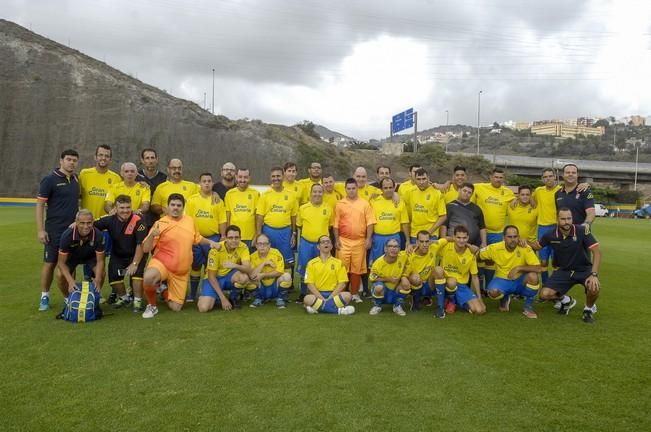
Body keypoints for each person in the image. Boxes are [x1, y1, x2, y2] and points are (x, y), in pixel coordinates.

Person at [140, 194, 220, 318]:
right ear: (168, 207)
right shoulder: (160, 223)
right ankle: (152, 305)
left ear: (183, 207)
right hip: (162, 264)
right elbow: (145, 248)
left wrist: (210, 242)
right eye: (173, 205)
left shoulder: (190, 221)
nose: (175, 208)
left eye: (179, 205)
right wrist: (151, 235)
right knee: (149, 277)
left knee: (175, 307)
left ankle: (162, 289)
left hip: (181, 272)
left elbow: (197, 238)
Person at [532, 208, 602, 323]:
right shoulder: (550, 235)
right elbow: (537, 246)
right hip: (564, 271)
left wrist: (594, 274)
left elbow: (597, 252)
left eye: (569, 218)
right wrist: (523, 242)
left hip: (584, 269)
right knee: (544, 294)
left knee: (594, 286)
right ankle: (567, 300)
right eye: (563, 219)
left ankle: (588, 309)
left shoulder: (582, 231)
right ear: (557, 220)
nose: (566, 222)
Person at [36, 149, 80, 311]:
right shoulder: (49, 180)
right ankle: (44, 296)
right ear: (61, 161)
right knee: (50, 263)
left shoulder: (76, 179)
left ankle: (70, 296)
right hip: (54, 231)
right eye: (68, 159)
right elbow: (40, 205)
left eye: (74, 160)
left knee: (70, 264)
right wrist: (41, 230)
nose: (71, 163)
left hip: (72, 231)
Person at [94, 195, 148, 312]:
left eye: (128, 207)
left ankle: (137, 301)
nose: (125, 210)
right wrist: (75, 225)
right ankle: (124, 298)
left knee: (137, 275)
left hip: (136, 254)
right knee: (114, 278)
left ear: (131, 207)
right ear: (115, 208)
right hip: (118, 255)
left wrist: (134, 263)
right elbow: (91, 225)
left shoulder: (138, 220)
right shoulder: (109, 219)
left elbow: (141, 244)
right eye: (121, 208)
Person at [478, 225, 542, 319]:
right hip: (502, 280)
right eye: (509, 237)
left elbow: (539, 268)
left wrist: (519, 268)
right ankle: (504, 298)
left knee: (533, 276)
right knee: (493, 293)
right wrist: (488, 261)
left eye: (515, 236)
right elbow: (477, 255)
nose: (513, 239)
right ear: (503, 237)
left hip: (520, 281)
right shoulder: (495, 248)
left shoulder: (525, 247)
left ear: (518, 237)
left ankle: (528, 307)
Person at [185, 173, 227, 302]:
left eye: (209, 181)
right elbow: (188, 220)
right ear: (200, 183)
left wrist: (223, 235)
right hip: (197, 239)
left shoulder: (218, 201)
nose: (207, 183)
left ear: (212, 183)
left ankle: (214, 293)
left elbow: (222, 220)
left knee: (212, 267)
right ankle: (193, 294)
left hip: (213, 239)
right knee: (196, 266)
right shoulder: (192, 200)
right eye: (204, 181)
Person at [334, 178, 376, 303]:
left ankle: (355, 293)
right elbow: (336, 224)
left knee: (356, 269)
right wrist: (336, 239)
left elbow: (370, 223)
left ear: (357, 189)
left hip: (359, 241)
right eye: (349, 188)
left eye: (353, 188)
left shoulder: (365, 204)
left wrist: (368, 239)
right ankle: (343, 292)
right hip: (344, 240)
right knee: (343, 268)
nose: (351, 191)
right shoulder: (340, 204)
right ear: (345, 189)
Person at [198, 225, 252, 312]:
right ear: (225, 238)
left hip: (229, 277)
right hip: (214, 279)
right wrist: (223, 299)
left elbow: (248, 269)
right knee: (203, 308)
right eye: (230, 238)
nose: (234, 240)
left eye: (236, 237)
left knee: (244, 278)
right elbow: (211, 277)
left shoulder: (243, 247)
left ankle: (233, 298)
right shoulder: (215, 250)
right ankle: (216, 296)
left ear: (240, 238)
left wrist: (235, 265)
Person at [434, 225, 486, 315]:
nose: (461, 240)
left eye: (464, 238)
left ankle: (455, 301)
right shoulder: (446, 246)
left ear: (468, 238)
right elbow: (430, 245)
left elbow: (474, 277)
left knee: (480, 310)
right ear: (454, 237)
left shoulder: (470, 253)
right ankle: (449, 301)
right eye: (458, 237)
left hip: (461, 286)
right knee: (451, 281)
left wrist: (479, 298)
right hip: (445, 282)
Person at [296, 183, 334, 303]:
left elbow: (330, 227)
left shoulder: (328, 208)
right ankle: (303, 293)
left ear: (322, 193)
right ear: (310, 193)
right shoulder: (303, 208)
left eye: (319, 191)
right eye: (315, 191)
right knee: (305, 269)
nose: (317, 194)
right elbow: (299, 225)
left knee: (321, 267)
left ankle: (320, 292)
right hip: (306, 243)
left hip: (322, 245)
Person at [56, 209, 105, 297]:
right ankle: (68, 299)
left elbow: (100, 261)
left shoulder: (98, 235)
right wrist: (71, 281)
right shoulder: (67, 235)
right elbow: (61, 262)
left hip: (90, 257)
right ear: (76, 222)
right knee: (60, 275)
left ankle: (94, 297)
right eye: (82, 223)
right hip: (72, 258)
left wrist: (98, 279)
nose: (86, 226)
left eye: (89, 223)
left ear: (93, 222)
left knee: (101, 273)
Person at [255, 167, 298, 267]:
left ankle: (287, 282)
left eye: (278, 176)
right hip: (269, 231)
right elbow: (260, 216)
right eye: (273, 176)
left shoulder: (291, 195)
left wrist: (294, 233)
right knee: (268, 259)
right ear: (270, 178)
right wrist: (258, 234)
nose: (276, 178)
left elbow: (293, 216)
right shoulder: (265, 195)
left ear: (283, 176)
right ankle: (269, 282)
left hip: (285, 232)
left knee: (287, 262)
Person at [302, 235, 355, 315]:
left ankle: (318, 308)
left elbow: (342, 283)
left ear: (331, 246)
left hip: (334, 294)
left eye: (328, 242)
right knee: (307, 298)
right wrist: (320, 297)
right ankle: (339, 311)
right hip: (317, 294)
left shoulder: (339, 263)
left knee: (348, 295)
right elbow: (310, 284)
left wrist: (330, 297)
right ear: (318, 247)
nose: (326, 244)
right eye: (323, 242)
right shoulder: (311, 263)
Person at [369, 177, 409, 267]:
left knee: (394, 264)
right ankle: (377, 281)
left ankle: (392, 280)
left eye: (390, 187)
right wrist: (369, 237)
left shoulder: (399, 201)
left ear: (394, 188)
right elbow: (370, 221)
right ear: (381, 189)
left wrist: (408, 240)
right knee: (377, 264)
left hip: (394, 237)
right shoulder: (374, 201)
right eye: (385, 188)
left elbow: (405, 222)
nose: (388, 190)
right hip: (378, 238)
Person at [403, 230, 444, 316]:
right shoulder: (410, 254)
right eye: (421, 242)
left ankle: (440, 307)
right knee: (415, 277)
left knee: (439, 270)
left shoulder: (434, 247)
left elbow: (448, 239)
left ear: (430, 241)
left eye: (427, 241)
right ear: (417, 242)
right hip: (416, 285)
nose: (425, 244)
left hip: (430, 285)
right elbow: (405, 276)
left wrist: (468, 245)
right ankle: (415, 302)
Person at [368, 239, 411, 316]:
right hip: (384, 291)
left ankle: (397, 306)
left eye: (396, 246)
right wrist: (388, 279)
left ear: (399, 249)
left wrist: (411, 245)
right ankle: (377, 305)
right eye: (390, 246)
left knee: (406, 283)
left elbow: (419, 247)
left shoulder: (403, 256)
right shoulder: (378, 263)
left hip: (395, 289)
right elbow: (372, 278)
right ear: (385, 249)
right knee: (378, 286)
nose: (393, 249)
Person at [249, 234, 293, 308]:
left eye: (265, 244)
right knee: (248, 279)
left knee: (287, 276)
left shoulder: (276, 253)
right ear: (256, 245)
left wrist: (263, 275)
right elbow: (252, 275)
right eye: (260, 244)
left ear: (269, 245)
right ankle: (258, 298)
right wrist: (264, 263)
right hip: (261, 286)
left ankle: (280, 298)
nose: (262, 246)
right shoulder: (252, 256)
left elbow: (280, 272)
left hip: (275, 285)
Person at [79, 144, 122, 221]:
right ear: (95, 157)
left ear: (110, 159)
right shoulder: (84, 174)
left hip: (106, 224)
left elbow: (118, 203)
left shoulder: (116, 178)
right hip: (86, 223)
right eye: (100, 155)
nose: (103, 158)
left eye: (107, 156)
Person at [405, 168, 447, 242]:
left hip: (431, 235)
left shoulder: (437, 193)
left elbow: (443, 216)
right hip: (415, 234)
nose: (421, 182)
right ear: (414, 180)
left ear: (428, 178)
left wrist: (429, 232)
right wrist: (395, 195)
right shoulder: (410, 192)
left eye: (424, 179)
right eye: (418, 179)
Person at [440, 182, 487, 248]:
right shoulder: (450, 206)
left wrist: (484, 243)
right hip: (452, 244)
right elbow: (443, 225)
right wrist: (443, 239)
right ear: (459, 190)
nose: (466, 194)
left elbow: (482, 228)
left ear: (471, 194)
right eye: (464, 191)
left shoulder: (477, 209)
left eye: (469, 192)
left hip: (472, 245)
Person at [224, 168, 260, 249]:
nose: (243, 180)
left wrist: (257, 234)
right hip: (234, 237)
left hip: (250, 237)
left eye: (245, 177)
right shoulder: (230, 194)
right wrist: (227, 235)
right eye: (240, 177)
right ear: (236, 177)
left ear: (249, 178)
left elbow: (258, 216)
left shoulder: (255, 194)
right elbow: (227, 215)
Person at [555, 163, 595, 228]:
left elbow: (591, 213)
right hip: (563, 234)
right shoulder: (558, 193)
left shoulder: (585, 191)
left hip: (581, 233)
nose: (570, 174)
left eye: (573, 173)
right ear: (563, 175)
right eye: (568, 172)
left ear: (577, 175)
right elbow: (558, 215)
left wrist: (584, 227)